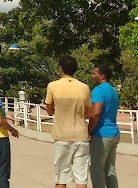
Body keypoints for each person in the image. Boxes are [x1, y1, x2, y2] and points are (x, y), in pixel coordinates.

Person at [45, 56, 91, 188]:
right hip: (81, 136)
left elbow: (49, 109)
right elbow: (89, 112)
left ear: (61, 69)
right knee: (81, 177)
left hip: (61, 136)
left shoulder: (53, 86)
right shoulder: (84, 87)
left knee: (61, 176)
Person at [88, 64, 120, 188]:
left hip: (102, 134)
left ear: (102, 76)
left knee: (96, 169)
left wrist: (88, 130)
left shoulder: (99, 90)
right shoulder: (112, 90)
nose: (92, 76)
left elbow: (96, 113)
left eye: (94, 73)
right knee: (110, 169)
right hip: (114, 133)